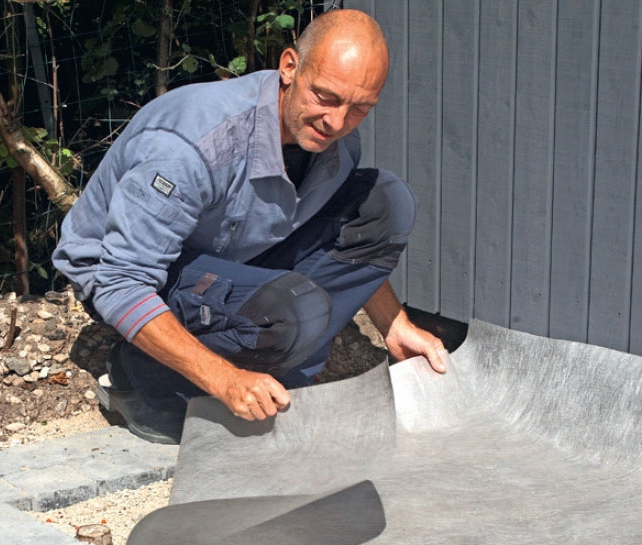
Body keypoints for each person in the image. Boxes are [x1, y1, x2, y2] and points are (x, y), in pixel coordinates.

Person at [52, 9, 446, 444]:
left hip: (228, 256)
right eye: (326, 97)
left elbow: (345, 237)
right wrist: (224, 379)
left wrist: (394, 324)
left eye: (360, 108)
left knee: (386, 202)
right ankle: (144, 376)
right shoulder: (193, 146)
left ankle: (275, 366)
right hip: (135, 274)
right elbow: (119, 281)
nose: (336, 122)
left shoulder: (335, 141)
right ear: (289, 67)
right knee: (295, 312)